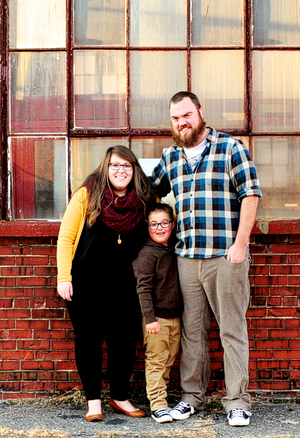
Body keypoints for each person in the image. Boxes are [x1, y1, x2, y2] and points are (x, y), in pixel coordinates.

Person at [151, 91, 262, 427]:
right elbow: (147, 192)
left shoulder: (230, 148)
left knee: (231, 330)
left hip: (225, 257)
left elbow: (251, 195)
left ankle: (237, 402)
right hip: (186, 259)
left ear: (200, 112)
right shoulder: (170, 157)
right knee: (192, 333)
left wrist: (240, 245)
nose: (181, 122)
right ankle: (191, 398)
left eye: (186, 115)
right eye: (175, 118)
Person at [56, 146, 153, 422]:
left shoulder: (144, 199)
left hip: (127, 286)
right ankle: (94, 402)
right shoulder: (88, 195)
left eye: (127, 166)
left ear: (134, 170)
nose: (121, 171)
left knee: (124, 343)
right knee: (89, 342)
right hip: (86, 285)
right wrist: (64, 277)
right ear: (106, 168)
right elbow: (66, 238)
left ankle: (120, 397)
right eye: (115, 165)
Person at [132, 203, 182, 423]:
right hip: (157, 320)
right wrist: (150, 319)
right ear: (148, 226)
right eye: (154, 224)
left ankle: (161, 399)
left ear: (172, 224)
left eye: (164, 223)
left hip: (175, 318)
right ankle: (158, 405)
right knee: (156, 361)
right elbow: (142, 288)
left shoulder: (174, 249)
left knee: (169, 360)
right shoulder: (147, 253)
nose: (160, 228)